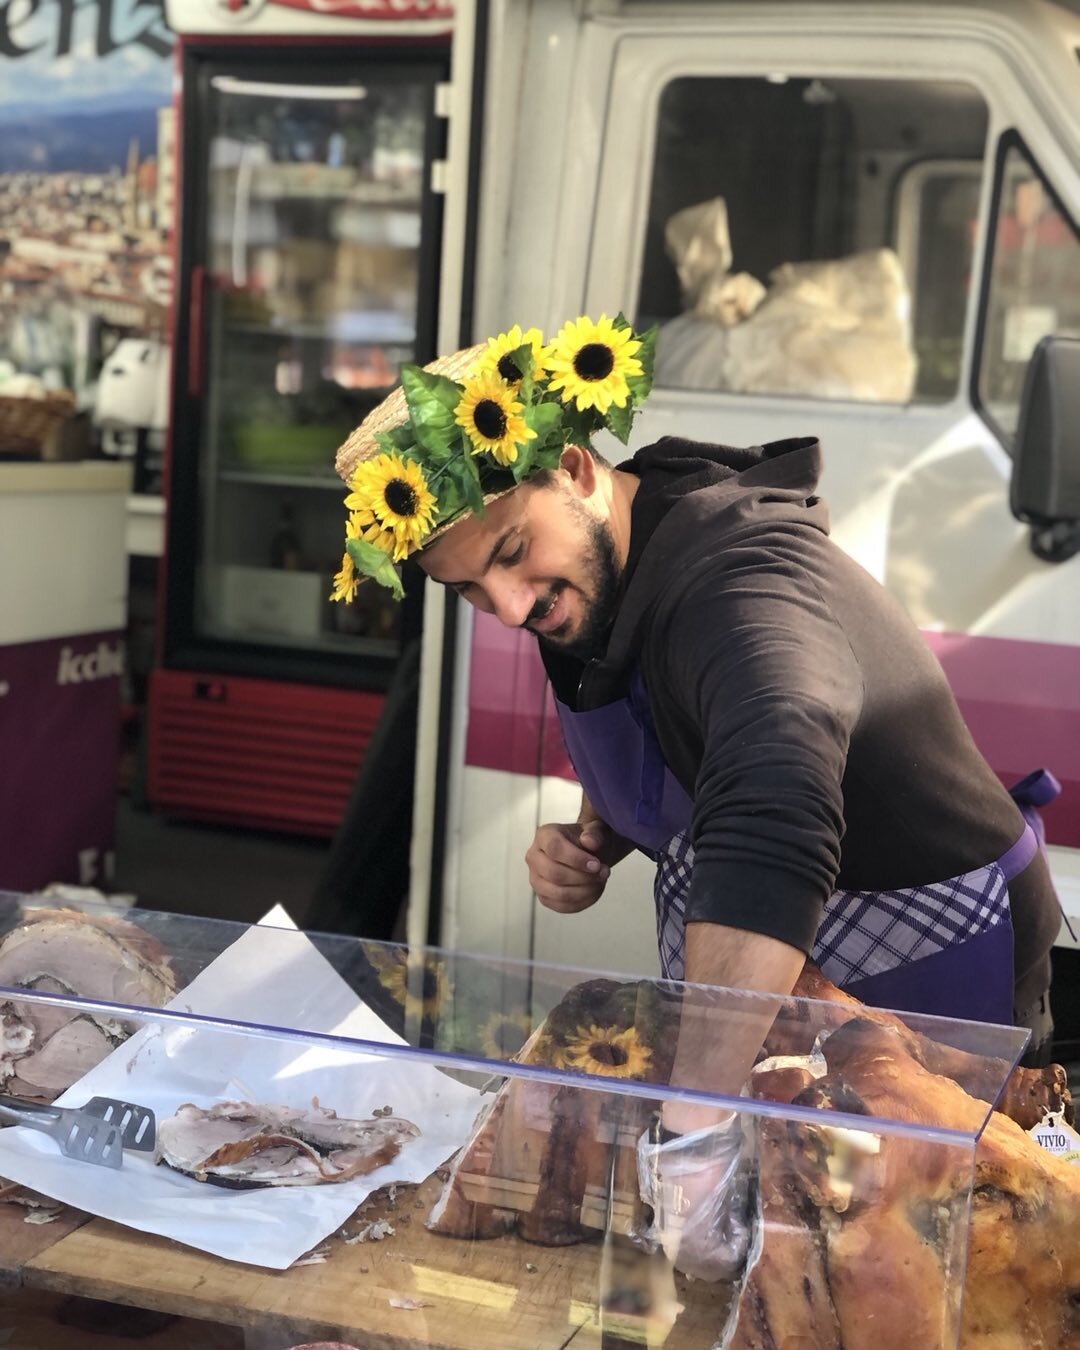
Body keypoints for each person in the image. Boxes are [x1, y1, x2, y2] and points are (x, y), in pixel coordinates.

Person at [329, 314, 1062, 1273]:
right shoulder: (604, 571)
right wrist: (602, 833)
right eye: (469, 590)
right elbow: (682, 736)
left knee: (923, 1275)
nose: (508, 610)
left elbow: (774, 806)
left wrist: (697, 1123)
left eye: (511, 553)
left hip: (929, 969)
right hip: (785, 1007)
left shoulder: (749, 583)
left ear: (580, 469)